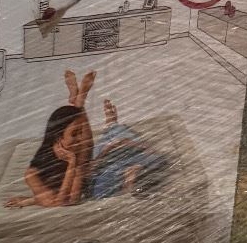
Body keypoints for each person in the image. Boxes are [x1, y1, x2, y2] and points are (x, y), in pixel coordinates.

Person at [8, 70, 167, 208]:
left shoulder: (75, 149)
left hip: (91, 169)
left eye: (79, 133)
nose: (80, 139)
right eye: (74, 134)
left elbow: (87, 148)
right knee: (114, 150)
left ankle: (93, 112)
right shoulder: (32, 175)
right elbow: (66, 201)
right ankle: (91, 112)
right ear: (57, 137)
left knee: (117, 139)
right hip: (91, 178)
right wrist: (72, 165)